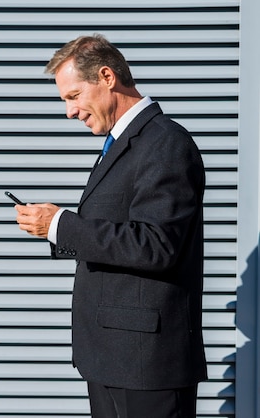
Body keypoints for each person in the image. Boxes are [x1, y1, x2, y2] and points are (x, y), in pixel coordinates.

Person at [13, 34, 207, 417]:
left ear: (106, 76)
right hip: (110, 357)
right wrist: (56, 228)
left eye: (73, 96)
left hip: (146, 365)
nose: (70, 112)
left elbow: (156, 245)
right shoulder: (122, 146)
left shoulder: (164, 142)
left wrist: (60, 225)